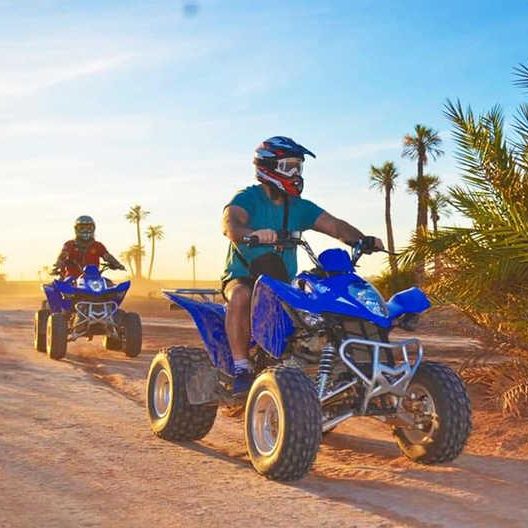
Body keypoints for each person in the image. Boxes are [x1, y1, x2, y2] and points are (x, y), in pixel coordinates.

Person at [221, 136, 384, 393]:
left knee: (327, 302)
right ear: (268, 167)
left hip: (283, 281)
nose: (296, 174)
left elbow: (334, 225)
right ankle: (241, 366)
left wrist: (361, 239)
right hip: (245, 276)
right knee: (241, 294)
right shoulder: (248, 198)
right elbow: (230, 224)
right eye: (289, 167)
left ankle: (342, 365)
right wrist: (252, 234)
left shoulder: (299, 207)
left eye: (299, 167)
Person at [52, 215, 125, 279]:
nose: (86, 230)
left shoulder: (98, 245)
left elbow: (107, 256)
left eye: (89, 228)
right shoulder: (69, 244)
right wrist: (58, 264)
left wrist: (117, 264)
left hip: (93, 279)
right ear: (76, 229)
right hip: (72, 279)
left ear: (93, 229)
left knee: (110, 284)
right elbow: (63, 255)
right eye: (82, 228)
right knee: (60, 286)